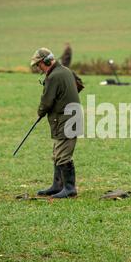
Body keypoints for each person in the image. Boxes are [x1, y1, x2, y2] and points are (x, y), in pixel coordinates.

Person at [30, 47, 81, 198]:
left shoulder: (53, 77)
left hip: (66, 119)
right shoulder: (66, 71)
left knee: (63, 154)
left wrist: (41, 112)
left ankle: (69, 189)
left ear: (46, 61)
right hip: (67, 117)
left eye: (39, 64)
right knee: (57, 152)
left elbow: (46, 101)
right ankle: (57, 185)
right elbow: (79, 84)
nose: (39, 68)